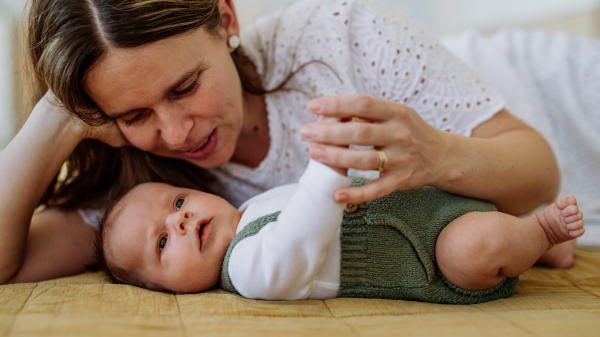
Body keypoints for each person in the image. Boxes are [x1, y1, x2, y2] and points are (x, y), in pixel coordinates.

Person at [0, 0, 566, 285]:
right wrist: (58, 117)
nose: (175, 134)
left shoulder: (345, 36)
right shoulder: (140, 199)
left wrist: (440, 153)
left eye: (186, 86)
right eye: (134, 113)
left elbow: (541, 175)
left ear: (225, 19)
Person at [96, 158, 585, 303]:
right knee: (475, 247)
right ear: (165, 290)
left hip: (426, 204)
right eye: (162, 242)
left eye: (178, 202)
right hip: (431, 257)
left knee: (486, 225)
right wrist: (329, 166)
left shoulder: (250, 205)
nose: (180, 220)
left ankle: (535, 246)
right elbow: (298, 240)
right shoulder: (248, 270)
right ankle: (540, 232)